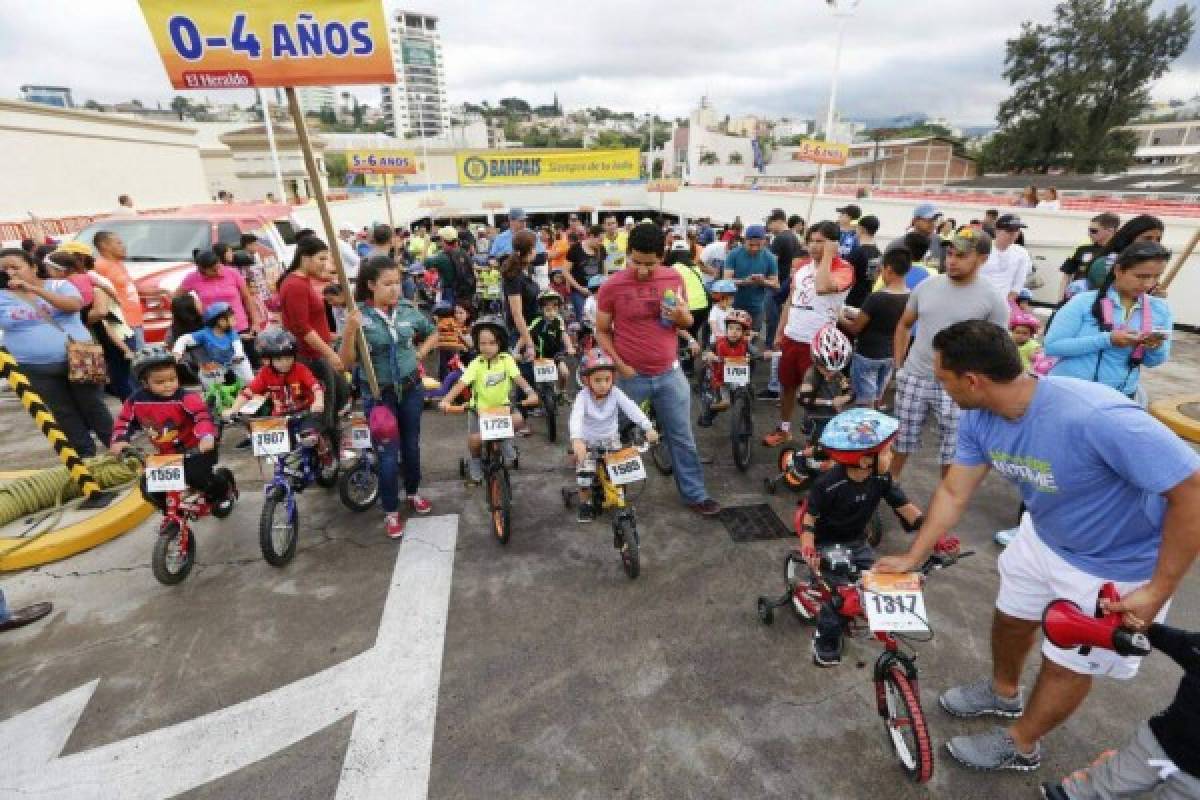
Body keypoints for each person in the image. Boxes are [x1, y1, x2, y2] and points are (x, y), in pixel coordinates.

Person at [874, 319, 1200, 773]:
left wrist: (1157, 590)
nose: (939, 387)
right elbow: (953, 492)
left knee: (1066, 663)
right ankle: (1003, 692)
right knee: (1011, 619)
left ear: (972, 380)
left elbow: (1192, 491)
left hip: (1113, 567)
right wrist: (914, 555)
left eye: (943, 379)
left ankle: (1022, 744)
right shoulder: (977, 416)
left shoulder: (1094, 414)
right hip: (1042, 538)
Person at [595, 223, 720, 516]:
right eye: (636, 262)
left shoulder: (673, 276)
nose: (641, 269)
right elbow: (602, 331)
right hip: (630, 376)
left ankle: (695, 495)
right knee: (611, 434)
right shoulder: (612, 286)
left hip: (669, 373)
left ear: (662, 256)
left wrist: (681, 316)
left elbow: (687, 321)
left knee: (681, 436)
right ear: (627, 254)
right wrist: (621, 366)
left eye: (649, 263)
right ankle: (605, 489)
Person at [800, 409, 924, 667]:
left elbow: (906, 508)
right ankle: (824, 640)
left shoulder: (881, 478)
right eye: (887, 451)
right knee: (838, 599)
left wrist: (933, 533)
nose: (892, 456)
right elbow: (809, 519)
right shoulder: (828, 484)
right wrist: (809, 547)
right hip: (827, 545)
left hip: (856, 542)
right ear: (865, 460)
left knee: (876, 583)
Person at [889, 228, 1009, 480]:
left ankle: (943, 509)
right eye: (950, 253)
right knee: (899, 444)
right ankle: (885, 491)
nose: (951, 261)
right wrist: (899, 367)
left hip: (959, 388)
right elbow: (904, 324)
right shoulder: (927, 285)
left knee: (954, 455)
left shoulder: (994, 300)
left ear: (983, 259)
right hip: (915, 378)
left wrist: (980, 388)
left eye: (962, 256)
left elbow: (998, 349)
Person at [1040, 621, 1200, 800]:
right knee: (1109, 781)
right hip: (1160, 740)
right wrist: (1141, 625)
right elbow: (1171, 640)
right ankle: (1074, 792)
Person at [340, 256, 437, 538]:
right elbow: (346, 363)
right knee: (387, 455)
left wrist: (420, 353)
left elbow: (432, 332)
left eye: (397, 283)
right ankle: (391, 511)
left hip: (410, 390)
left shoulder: (407, 311)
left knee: (412, 447)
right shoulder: (358, 316)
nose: (395, 289)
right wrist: (349, 331)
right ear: (371, 285)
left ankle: (413, 492)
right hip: (379, 395)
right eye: (387, 284)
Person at [0, 248, 114, 456]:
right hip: (34, 366)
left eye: (15, 267)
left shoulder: (59, 285)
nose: (10, 273)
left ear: (34, 267)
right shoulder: (2, 297)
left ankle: (119, 449)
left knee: (93, 405)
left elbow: (73, 305)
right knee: (63, 413)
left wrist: (33, 289)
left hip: (79, 358)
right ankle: (85, 457)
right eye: (4, 269)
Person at [110, 346, 235, 514]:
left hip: (196, 450)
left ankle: (223, 491)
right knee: (150, 488)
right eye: (160, 382)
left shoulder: (186, 398)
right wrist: (119, 439)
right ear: (144, 383)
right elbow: (124, 421)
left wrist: (206, 436)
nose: (168, 385)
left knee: (198, 479)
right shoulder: (135, 401)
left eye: (172, 379)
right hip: (166, 454)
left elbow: (202, 416)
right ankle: (172, 515)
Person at [762, 222, 854, 446]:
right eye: (811, 240)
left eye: (820, 241)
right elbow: (790, 301)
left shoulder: (843, 268)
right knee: (787, 386)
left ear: (833, 243)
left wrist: (829, 256)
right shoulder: (802, 268)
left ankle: (815, 445)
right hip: (793, 338)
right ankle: (784, 429)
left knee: (816, 397)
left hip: (820, 346)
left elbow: (823, 287)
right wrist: (779, 332)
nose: (813, 246)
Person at [1043, 241, 1172, 400]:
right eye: (1141, 276)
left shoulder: (1159, 309)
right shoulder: (1083, 302)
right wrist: (1107, 339)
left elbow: (1154, 362)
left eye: (1156, 277)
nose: (1148, 284)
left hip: (1119, 397)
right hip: (1069, 393)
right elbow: (1052, 346)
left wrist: (1154, 347)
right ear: (1118, 270)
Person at [438, 316, 538, 484]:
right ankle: (476, 461)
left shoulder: (507, 360)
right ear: (477, 344)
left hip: (503, 409)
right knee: (475, 440)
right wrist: (446, 400)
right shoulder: (476, 363)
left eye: (492, 343)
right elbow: (461, 385)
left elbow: (519, 379)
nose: (487, 347)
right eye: (483, 343)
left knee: (519, 419)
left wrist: (530, 393)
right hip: (479, 411)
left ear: (501, 343)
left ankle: (506, 439)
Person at [569, 349, 659, 523]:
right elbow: (576, 417)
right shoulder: (583, 397)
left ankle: (617, 494)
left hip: (611, 439)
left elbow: (632, 408)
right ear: (587, 380)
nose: (603, 384)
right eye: (597, 380)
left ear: (613, 378)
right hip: (587, 441)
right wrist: (577, 440)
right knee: (585, 476)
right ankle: (585, 503)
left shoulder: (616, 393)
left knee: (620, 473)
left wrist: (648, 427)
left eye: (607, 379)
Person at [277, 237, 349, 439]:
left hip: (318, 353)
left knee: (339, 397)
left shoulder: (302, 281)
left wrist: (331, 338)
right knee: (324, 411)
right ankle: (325, 458)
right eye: (321, 258)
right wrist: (330, 353)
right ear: (305, 258)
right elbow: (301, 327)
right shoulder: (294, 285)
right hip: (310, 357)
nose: (325, 264)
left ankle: (329, 452)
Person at [841, 247, 912, 409]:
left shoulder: (877, 297)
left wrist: (839, 317)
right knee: (877, 398)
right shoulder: (911, 296)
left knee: (865, 403)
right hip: (889, 356)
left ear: (888, 269)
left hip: (867, 355)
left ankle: (865, 431)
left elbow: (855, 329)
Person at [178, 249, 262, 343]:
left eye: (219, 267)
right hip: (214, 332)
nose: (218, 271)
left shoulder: (232, 273)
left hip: (239, 326)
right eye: (213, 270)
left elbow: (247, 298)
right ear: (202, 270)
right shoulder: (192, 278)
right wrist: (193, 312)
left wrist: (255, 322)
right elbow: (177, 300)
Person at [171, 301, 254, 390]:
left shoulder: (231, 332)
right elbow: (184, 338)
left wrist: (239, 355)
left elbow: (237, 344)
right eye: (231, 316)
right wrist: (177, 352)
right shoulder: (205, 334)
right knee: (209, 384)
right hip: (218, 364)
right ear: (220, 320)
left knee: (249, 380)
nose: (234, 318)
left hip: (237, 361)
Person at [92, 230, 145, 351]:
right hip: (124, 324)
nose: (123, 246)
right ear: (104, 245)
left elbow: (127, 287)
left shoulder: (117, 263)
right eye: (118, 243)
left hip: (135, 320)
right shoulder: (100, 266)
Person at [697, 309, 752, 427]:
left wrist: (761, 355)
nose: (734, 332)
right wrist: (709, 355)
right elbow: (706, 353)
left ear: (743, 332)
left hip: (738, 377)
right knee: (724, 403)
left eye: (738, 329)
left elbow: (755, 352)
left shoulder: (745, 343)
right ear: (726, 329)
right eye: (731, 328)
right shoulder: (718, 343)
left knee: (747, 392)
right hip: (720, 378)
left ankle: (745, 417)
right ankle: (709, 412)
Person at [723, 224, 779, 336]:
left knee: (751, 339)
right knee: (731, 337)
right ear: (745, 241)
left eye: (758, 245)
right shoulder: (734, 254)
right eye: (751, 245)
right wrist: (745, 282)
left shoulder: (770, 257)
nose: (754, 248)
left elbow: (776, 284)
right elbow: (726, 281)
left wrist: (763, 281)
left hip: (756, 307)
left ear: (764, 242)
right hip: (734, 304)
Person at [1084, 215, 1164, 291]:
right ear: (1130, 237)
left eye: (1158, 239)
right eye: (1147, 238)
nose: (1153, 244)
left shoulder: (1150, 265)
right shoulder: (1103, 264)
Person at [501, 229, 541, 379]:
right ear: (528, 251)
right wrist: (529, 343)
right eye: (534, 247)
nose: (536, 251)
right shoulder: (514, 277)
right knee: (525, 376)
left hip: (533, 326)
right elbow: (517, 314)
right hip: (521, 332)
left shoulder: (526, 268)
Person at [1058, 213, 1119, 302]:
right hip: (1076, 298)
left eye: (1093, 231)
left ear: (1110, 230)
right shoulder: (1082, 248)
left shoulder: (1120, 252)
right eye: (1089, 230)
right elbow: (1066, 275)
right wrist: (1060, 300)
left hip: (1102, 300)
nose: (1089, 234)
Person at [766, 208, 803, 351]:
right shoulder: (794, 237)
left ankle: (771, 345)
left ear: (780, 221)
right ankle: (778, 342)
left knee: (772, 318)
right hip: (787, 283)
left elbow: (771, 263)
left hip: (776, 284)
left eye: (771, 223)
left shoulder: (780, 238)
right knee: (782, 317)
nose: (769, 227)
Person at [666, 241, 711, 351]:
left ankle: (686, 363)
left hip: (688, 308)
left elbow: (669, 292)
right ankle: (690, 359)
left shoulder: (672, 269)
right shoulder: (695, 267)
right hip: (703, 307)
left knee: (682, 338)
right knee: (692, 334)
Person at [528, 290, 575, 394]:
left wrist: (570, 346)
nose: (552, 312)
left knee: (565, 373)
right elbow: (526, 336)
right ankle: (537, 397)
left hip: (556, 353)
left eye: (555, 308)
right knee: (534, 380)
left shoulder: (559, 320)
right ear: (541, 309)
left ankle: (562, 392)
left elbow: (563, 334)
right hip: (540, 354)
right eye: (548, 309)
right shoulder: (537, 321)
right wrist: (517, 349)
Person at [980, 215, 1033, 305]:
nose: (1013, 234)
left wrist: (1006, 303)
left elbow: (1019, 283)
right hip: (979, 299)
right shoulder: (982, 248)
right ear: (997, 231)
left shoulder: (1021, 253)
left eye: (1017, 230)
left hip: (1003, 303)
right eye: (1009, 230)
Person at [427, 226, 474, 311]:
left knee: (448, 317)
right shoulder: (463, 253)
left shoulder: (443, 257)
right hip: (464, 295)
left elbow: (424, 263)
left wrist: (425, 245)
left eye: (441, 239)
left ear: (443, 240)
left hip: (450, 293)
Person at [565, 225, 604, 323]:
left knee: (598, 319)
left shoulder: (601, 249)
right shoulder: (575, 249)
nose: (601, 243)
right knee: (582, 319)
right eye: (599, 240)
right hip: (579, 291)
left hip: (597, 292)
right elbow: (565, 271)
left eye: (602, 240)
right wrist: (579, 288)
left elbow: (604, 270)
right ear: (591, 236)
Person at [844, 214, 881, 309]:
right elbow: (872, 278)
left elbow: (844, 277)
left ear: (862, 229)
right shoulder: (878, 253)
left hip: (851, 300)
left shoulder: (857, 253)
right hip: (866, 300)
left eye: (857, 228)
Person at [434, 301, 471, 380]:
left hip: (458, 354)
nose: (457, 315)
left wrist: (460, 335)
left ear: (467, 314)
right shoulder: (449, 321)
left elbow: (470, 345)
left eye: (461, 313)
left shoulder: (468, 328)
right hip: (448, 351)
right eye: (456, 313)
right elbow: (439, 327)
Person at [909, 204, 944, 272]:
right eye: (929, 219)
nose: (932, 223)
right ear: (915, 221)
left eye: (935, 219)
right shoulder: (901, 244)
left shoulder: (941, 242)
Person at [706, 279, 737, 343]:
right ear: (719, 299)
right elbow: (713, 323)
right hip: (717, 341)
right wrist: (717, 333)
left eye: (732, 298)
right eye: (730, 298)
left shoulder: (731, 309)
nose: (732, 300)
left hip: (729, 339)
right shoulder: (715, 311)